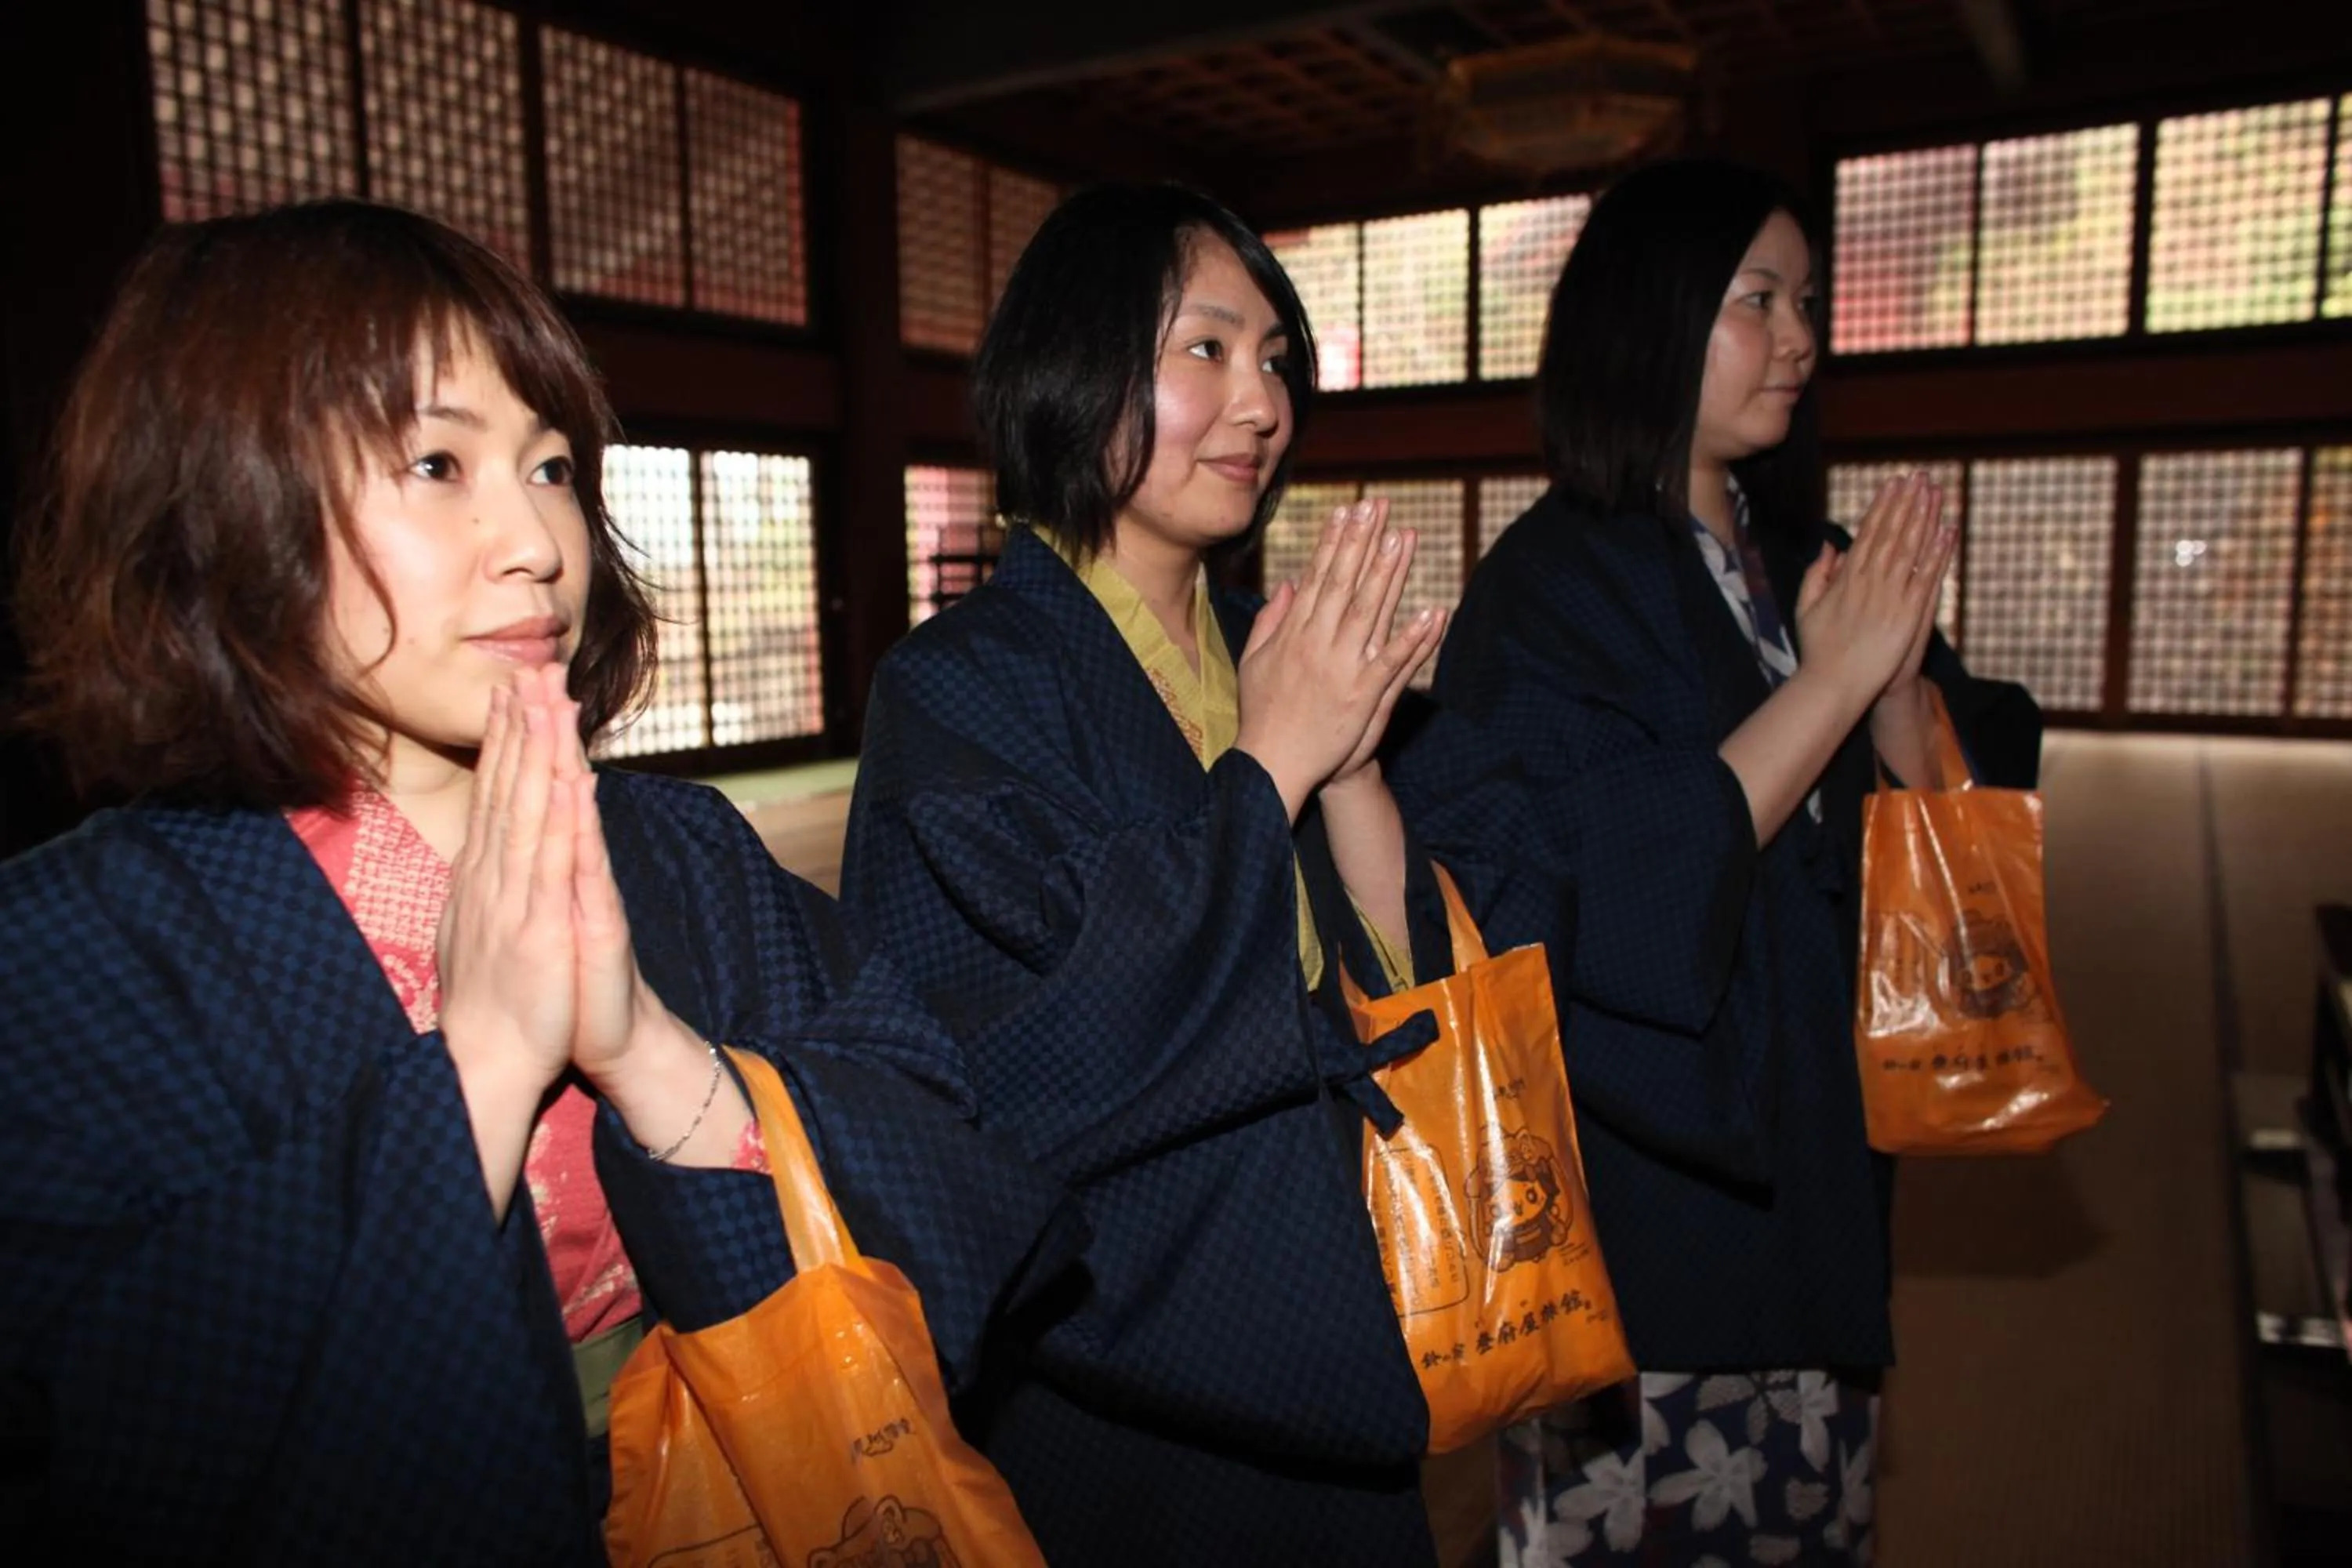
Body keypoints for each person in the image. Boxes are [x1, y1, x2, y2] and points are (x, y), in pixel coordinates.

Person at [0, 200, 1076, 1563]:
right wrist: (483, 1069)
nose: (537, 543)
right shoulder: (70, 953)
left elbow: (955, 1170)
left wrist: (653, 1056)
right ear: (222, 496)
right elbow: (110, 1437)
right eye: (440, 463)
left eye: (553, 465)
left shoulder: (684, 852)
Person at [1390, 157, 2041, 1565]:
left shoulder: (1805, 554)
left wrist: (1887, 696)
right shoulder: (1551, 586)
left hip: (1816, 1165)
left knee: (1815, 1516)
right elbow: (1572, 890)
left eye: (1806, 301)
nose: (1802, 337)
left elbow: (1941, 827)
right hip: (1649, 1200)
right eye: (1759, 299)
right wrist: (1829, 684)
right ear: (1652, 317)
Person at [840, 183, 1457, 1565]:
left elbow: (1396, 981)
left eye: (1278, 362)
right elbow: (1046, 1040)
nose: (1263, 406)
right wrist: (1272, 770)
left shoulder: (1267, 642)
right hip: (1133, 1337)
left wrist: (1347, 764)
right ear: (1078, 360)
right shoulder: (960, 686)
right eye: (1208, 350)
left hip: (1335, 1275)